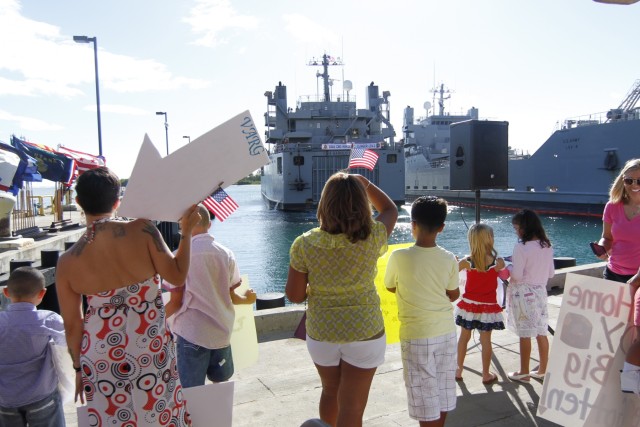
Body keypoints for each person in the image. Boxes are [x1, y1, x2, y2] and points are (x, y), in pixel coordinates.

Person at [56, 167, 200, 426]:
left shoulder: (67, 262)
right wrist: (186, 232)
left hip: (100, 354)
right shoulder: (142, 230)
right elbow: (177, 276)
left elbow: (72, 325)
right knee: (159, 414)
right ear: (117, 201)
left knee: (114, 418)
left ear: (78, 202)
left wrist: (79, 368)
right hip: (148, 346)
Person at [285, 172, 398, 427]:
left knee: (330, 390)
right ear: (361, 204)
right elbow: (390, 209)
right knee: (353, 406)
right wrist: (365, 183)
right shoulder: (373, 236)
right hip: (364, 330)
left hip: (322, 331)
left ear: (324, 204)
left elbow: (294, 296)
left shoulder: (304, 244)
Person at [384, 196, 459, 427]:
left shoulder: (399, 256)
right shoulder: (449, 259)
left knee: (424, 395)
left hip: (416, 334)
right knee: (444, 389)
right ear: (442, 228)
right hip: (446, 331)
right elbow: (453, 294)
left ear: (412, 225)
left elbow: (389, 285)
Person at [163, 206, 257, 387]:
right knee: (220, 387)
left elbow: (175, 304)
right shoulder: (226, 254)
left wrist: (152, 322)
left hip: (191, 334)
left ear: (183, 226)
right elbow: (233, 297)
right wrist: (248, 300)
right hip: (221, 334)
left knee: (191, 392)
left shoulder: (178, 258)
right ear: (209, 225)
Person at [594, 158, 640, 393]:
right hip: (613, 273)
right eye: (629, 179)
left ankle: (630, 380)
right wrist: (603, 247)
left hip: (639, 280)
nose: (634, 184)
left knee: (635, 331)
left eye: (639, 180)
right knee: (611, 327)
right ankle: (611, 376)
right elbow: (607, 236)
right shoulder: (612, 206)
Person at [0, 267, 67, 427]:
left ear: (6, 292)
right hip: (41, 395)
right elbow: (67, 344)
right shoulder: (49, 319)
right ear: (42, 293)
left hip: (5, 398)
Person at [505, 209, 554, 383]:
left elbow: (516, 275)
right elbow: (551, 273)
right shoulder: (547, 245)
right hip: (540, 292)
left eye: (516, 228)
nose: (516, 231)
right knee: (541, 331)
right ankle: (542, 369)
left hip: (523, 295)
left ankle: (524, 372)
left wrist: (508, 267)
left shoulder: (521, 247)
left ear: (523, 228)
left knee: (525, 333)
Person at [455, 223, 507, 385]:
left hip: (469, 306)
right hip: (488, 307)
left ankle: (458, 369)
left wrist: (455, 262)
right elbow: (505, 275)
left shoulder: (466, 262)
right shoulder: (497, 262)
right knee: (486, 341)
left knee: (464, 338)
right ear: (489, 239)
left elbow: (450, 272)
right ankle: (485, 374)